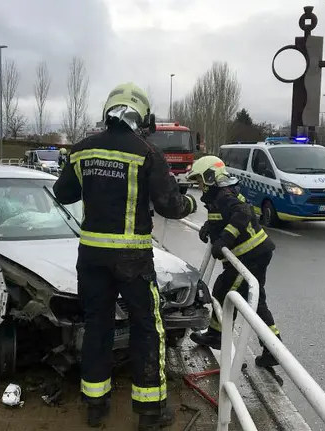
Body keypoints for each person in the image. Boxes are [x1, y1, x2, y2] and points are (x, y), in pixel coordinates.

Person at [53, 82, 197, 429]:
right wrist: (190, 202)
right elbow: (171, 207)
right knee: (147, 328)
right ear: (140, 116)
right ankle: (150, 413)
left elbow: (62, 193)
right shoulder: (147, 153)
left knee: (97, 326)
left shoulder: (82, 150)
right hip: (132, 259)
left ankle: (95, 407)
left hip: (91, 258)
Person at [185, 156, 282, 371]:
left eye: (201, 181)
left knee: (224, 291)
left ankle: (218, 335)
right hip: (252, 255)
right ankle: (273, 349)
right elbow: (222, 217)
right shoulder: (218, 197)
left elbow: (242, 213)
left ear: (211, 177)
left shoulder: (224, 195)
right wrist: (209, 227)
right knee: (255, 302)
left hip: (248, 256)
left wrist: (224, 240)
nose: (200, 187)